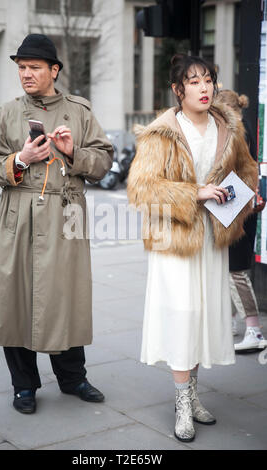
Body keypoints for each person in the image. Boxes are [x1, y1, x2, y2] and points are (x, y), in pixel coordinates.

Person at [0, 34, 113, 414]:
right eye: (21, 67)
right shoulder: (5, 113)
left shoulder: (80, 111)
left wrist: (71, 152)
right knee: (14, 301)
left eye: (34, 67)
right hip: (18, 216)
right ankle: (24, 386)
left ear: (54, 70)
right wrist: (19, 159)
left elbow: (103, 164)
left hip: (65, 214)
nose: (26, 74)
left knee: (65, 298)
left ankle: (73, 379)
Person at [127, 54, 257, 443]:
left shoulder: (227, 126)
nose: (204, 88)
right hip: (176, 240)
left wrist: (247, 197)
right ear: (177, 89)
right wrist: (194, 193)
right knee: (183, 315)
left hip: (212, 237)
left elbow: (246, 169)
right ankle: (182, 402)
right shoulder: (162, 132)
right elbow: (142, 189)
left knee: (201, 316)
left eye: (209, 80)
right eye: (194, 81)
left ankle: (194, 395)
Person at [214, 90, 267, 352]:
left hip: (237, 206)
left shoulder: (236, 133)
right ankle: (235, 324)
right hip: (241, 205)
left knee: (235, 270)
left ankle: (254, 330)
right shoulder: (244, 129)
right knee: (232, 269)